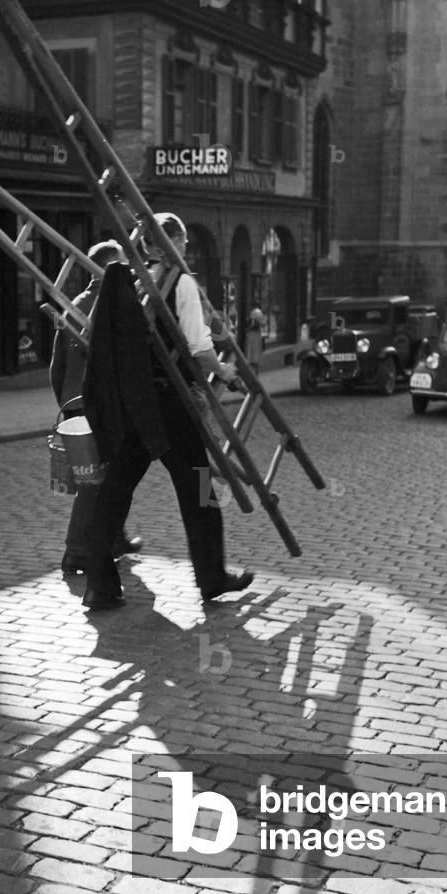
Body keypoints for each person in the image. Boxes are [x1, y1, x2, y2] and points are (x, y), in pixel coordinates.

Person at [80, 213, 254, 611]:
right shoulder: (183, 283)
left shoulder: (137, 282)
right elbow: (200, 349)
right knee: (199, 489)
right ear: (164, 244)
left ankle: (99, 585)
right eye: (182, 241)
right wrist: (225, 371)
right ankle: (211, 576)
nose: (185, 249)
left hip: (139, 401)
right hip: (171, 402)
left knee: (116, 488)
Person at [50, 240, 142, 577]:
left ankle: (115, 537)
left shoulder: (73, 304)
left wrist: (65, 402)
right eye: (122, 264)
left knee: (114, 476)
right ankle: (76, 552)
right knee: (94, 482)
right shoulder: (114, 301)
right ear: (110, 267)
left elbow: (56, 366)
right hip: (100, 407)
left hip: (76, 406)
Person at [245, 303, 265, 374]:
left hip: (252, 335)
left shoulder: (253, 313)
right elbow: (263, 323)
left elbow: (253, 324)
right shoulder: (259, 312)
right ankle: (256, 373)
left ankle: (252, 373)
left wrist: (248, 328)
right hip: (257, 335)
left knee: (252, 355)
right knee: (256, 358)